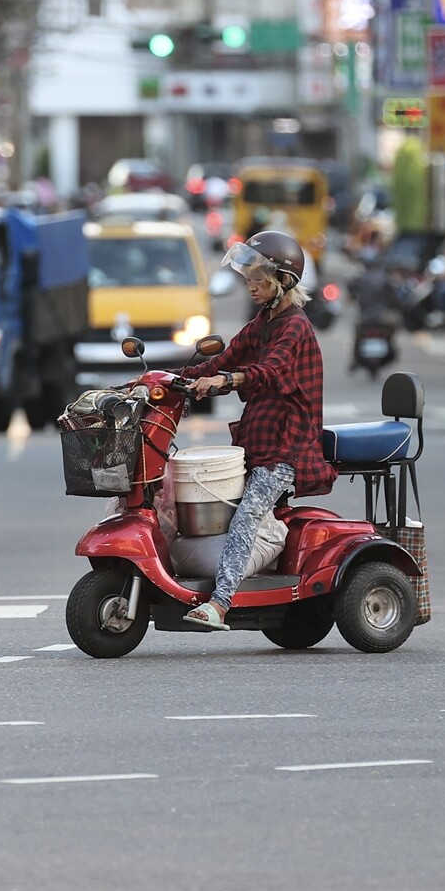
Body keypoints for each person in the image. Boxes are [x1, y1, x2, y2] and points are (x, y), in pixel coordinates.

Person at [177, 232, 338, 631]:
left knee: (246, 516)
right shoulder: (263, 322)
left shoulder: (294, 327)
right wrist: (170, 379)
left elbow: (270, 371)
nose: (251, 285)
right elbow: (227, 356)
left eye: (259, 279)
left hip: (286, 452)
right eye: (248, 277)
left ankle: (220, 602)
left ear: (283, 282)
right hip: (255, 445)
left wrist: (225, 381)